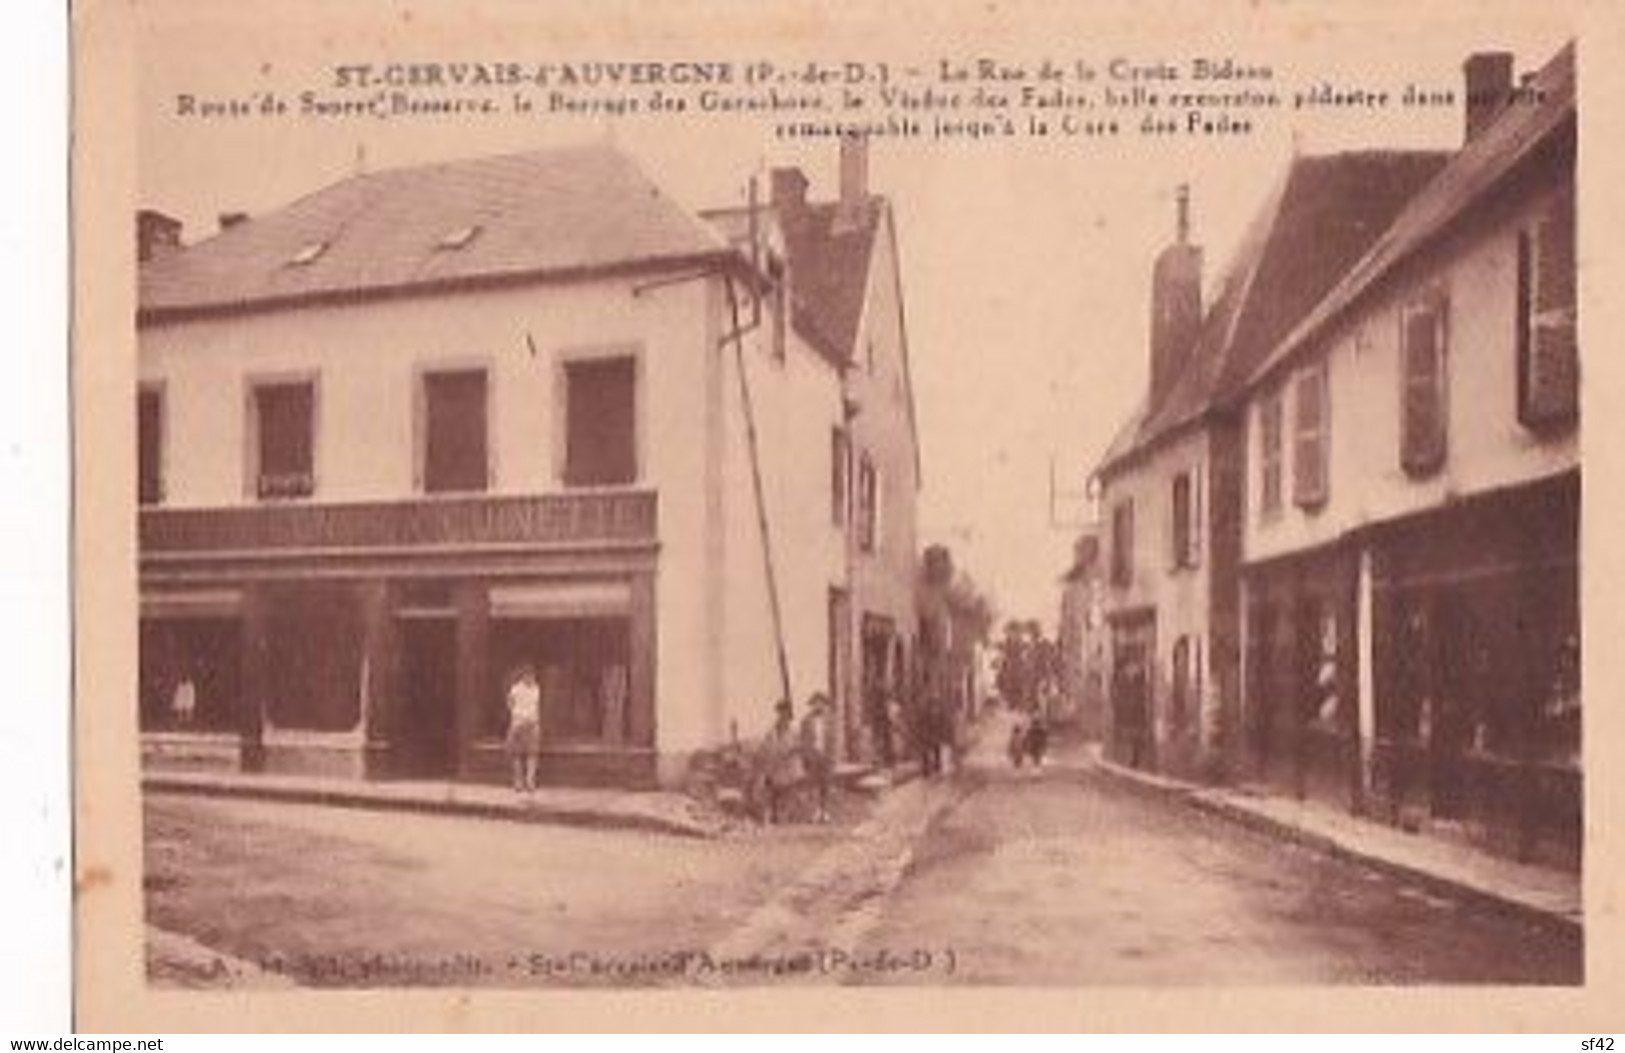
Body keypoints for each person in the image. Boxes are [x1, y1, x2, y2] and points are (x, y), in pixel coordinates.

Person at [760, 699, 801, 824]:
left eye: (786, 713)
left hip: (788, 771)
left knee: (786, 797)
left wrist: (794, 762)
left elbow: (798, 750)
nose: (783, 716)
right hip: (773, 769)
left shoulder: (794, 733)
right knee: (771, 795)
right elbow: (765, 750)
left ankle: (784, 819)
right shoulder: (771, 732)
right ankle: (772, 818)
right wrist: (765, 770)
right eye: (780, 712)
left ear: (789, 716)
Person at [506, 664, 542, 793]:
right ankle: (518, 782)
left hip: (532, 724)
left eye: (532, 676)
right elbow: (509, 703)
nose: (531, 678)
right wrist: (516, 715)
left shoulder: (536, 688)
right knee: (517, 755)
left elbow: (536, 706)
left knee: (532, 754)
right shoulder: (516, 689)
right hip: (519, 724)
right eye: (528, 676)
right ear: (523, 676)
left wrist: (537, 723)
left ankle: (530, 781)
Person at [799, 692, 835, 823]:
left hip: (825, 756)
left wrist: (832, 757)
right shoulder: (806, 721)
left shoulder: (830, 720)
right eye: (815, 703)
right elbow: (803, 741)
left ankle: (825, 812)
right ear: (812, 705)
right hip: (812, 756)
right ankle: (815, 812)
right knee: (813, 786)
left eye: (821, 702)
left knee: (825, 785)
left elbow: (833, 740)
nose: (818, 705)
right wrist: (805, 757)